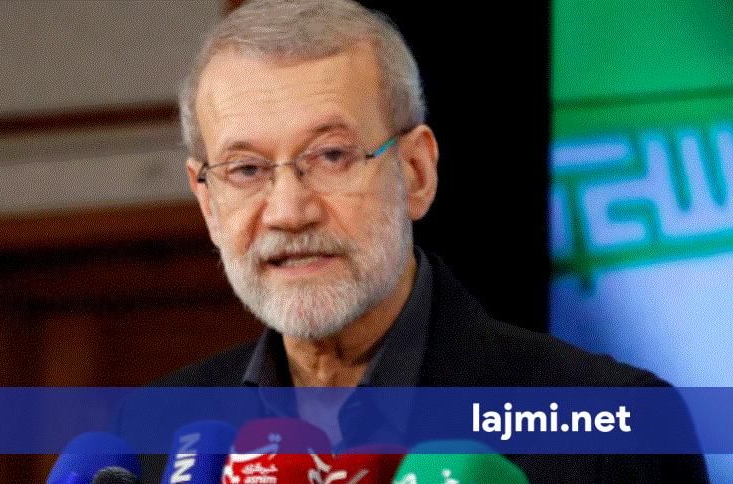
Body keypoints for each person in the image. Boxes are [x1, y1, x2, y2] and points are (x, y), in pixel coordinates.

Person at [142, 0, 709, 481]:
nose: (289, 212)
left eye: (332, 156)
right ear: (207, 201)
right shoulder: (153, 438)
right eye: (246, 169)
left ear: (416, 172)